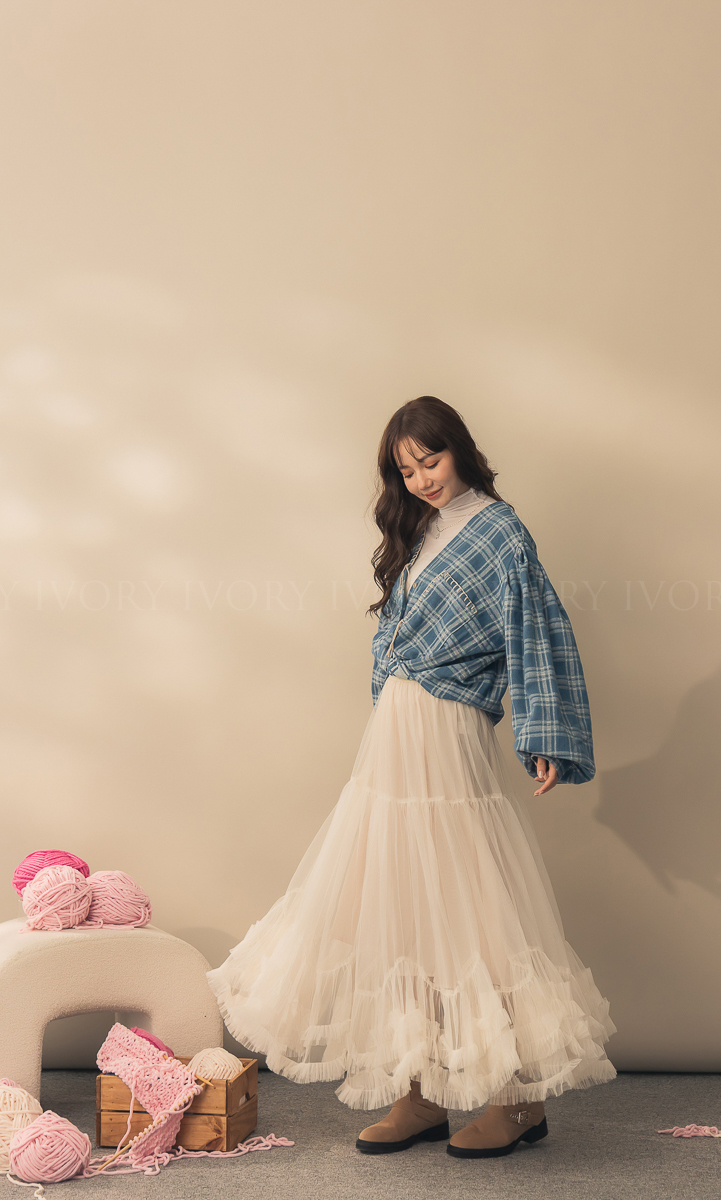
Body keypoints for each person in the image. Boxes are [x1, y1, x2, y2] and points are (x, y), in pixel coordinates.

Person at [206, 395, 616, 1160]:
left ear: (460, 449)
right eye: (407, 469)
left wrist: (542, 734)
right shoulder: (421, 530)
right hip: (394, 738)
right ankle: (420, 1087)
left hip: (447, 733)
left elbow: (535, 629)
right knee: (399, 903)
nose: (423, 478)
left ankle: (516, 1098)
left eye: (431, 459)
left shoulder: (498, 531)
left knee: (469, 903)